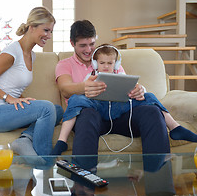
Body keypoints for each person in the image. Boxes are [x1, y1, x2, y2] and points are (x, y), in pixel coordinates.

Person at [51, 43, 197, 155]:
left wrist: (139, 91)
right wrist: (86, 92)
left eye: (110, 63)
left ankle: (174, 127)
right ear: (95, 64)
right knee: (76, 99)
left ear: (116, 64)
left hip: (119, 108)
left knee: (149, 96)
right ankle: (62, 140)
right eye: (102, 63)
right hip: (96, 108)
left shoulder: (121, 75)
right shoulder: (90, 77)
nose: (106, 66)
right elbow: (82, 96)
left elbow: (134, 89)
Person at [53, 19, 171, 156]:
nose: (88, 50)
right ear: (72, 43)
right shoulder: (64, 64)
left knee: (152, 111)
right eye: (82, 45)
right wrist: (86, 87)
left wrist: (138, 90)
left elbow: (125, 88)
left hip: (119, 114)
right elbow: (65, 89)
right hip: (92, 116)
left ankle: (159, 175)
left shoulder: (108, 60)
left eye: (91, 44)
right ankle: (84, 176)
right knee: (87, 115)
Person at [0, 7, 63, 158]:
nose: (49, 35)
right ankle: (44, 162)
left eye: (51, 32)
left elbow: (12, 84)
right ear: (32, 27)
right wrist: (10, 99)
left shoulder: (32, 56)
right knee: (47, 108)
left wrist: (21, 99)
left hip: (8, 112)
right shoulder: (12, 52)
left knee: (57, 110)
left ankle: (25, 139)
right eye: (46, 30)